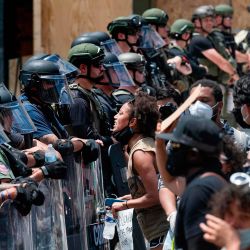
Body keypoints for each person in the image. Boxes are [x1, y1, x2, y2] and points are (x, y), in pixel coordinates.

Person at [156, 115, 227, 249]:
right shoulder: (210, 180)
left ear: (193, 154)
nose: (171, 151)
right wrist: (159, 143)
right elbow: (169, 180)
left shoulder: (199, 191)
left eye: (176, 146)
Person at [111, 92, 168, 249]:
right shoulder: (144, 146)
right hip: (159, 232)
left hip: (162, 232)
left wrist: (125, 205)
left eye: (121, 113)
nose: (115, 117)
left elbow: (155, 196)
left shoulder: (141, 153)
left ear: (133, 122)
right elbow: (155, 187)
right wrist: (130, 197)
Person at [190, 5, 239, 85]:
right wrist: (236, 78)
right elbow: (222, 62)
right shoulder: (198, 40)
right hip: (204, 85)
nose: (209, 23)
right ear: (197, 22)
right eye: (206, 20)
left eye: (211, 20)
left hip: (213, 82)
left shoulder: (210, 38)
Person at [200, 179, 250, 250]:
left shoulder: (231, 245)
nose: (233, 223)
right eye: (230, 213)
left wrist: (232, 244)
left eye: (244, 217)